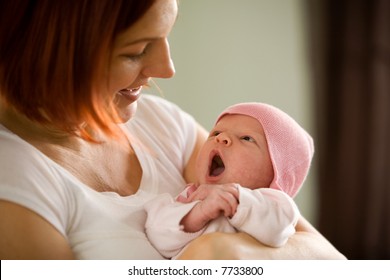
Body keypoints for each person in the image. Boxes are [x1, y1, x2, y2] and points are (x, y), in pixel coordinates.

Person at [0, 0, 346, 259]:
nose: (167, 69)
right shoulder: (15, 179)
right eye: (136, 51)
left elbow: (333, 261)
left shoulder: (161, 124)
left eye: (166, 36)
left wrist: (221, 252)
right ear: (47, 52)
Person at [144, 102, 314, 259]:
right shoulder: (190, 198)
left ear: (276, 172)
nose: (221, 137)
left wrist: (236, 199)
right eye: (216, 133)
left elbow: (277, 230)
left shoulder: (276, 205)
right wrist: (196, 214)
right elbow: (158, 237)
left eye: (246, 138)